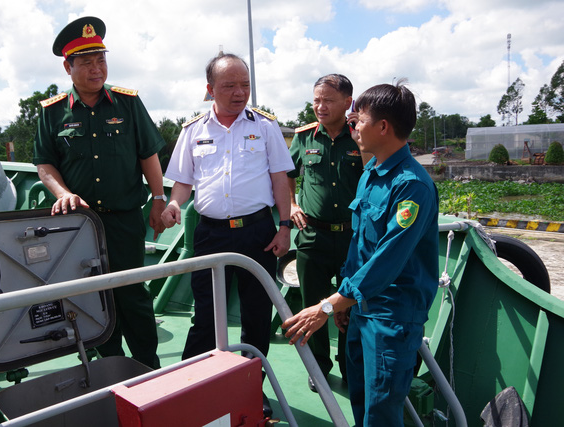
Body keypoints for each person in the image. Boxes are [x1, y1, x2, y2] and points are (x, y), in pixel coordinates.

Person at [282, 81, 439, 426]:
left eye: (359, 121)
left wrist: (330, 305)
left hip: (390, 318)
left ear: (383, 127)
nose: (353, 127)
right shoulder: (370, 172)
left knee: (380, 413)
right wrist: (346, 302)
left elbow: (387, 260)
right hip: (359, 311)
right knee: (360, 400)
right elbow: (359, 245)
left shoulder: (411, 186)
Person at [161, 52, 294, 417]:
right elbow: (183, 184)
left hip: (258, 234)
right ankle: (190, 386)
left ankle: (253, 389)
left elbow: (279, 178)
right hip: (211, 235)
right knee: (206, 316)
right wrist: (174, 205)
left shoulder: (265, 127)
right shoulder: (193, 132)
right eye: (229, 86)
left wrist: (284, 227)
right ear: (210, 90)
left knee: (256, 316)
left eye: (245, 85)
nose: (239, 93)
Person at [33, 16, 165, 369]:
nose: (97, 69)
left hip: (124, 220)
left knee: (132, 293)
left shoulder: (127, 104)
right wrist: (62, 193)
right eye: (87, 62)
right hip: (79, 224)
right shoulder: (52, 112)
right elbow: (45, 165)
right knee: (92, 297)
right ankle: (112, 367)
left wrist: (159, 198)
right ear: (68, 66)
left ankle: (148, 365)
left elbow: (147, 154)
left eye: (101, 60)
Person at [288, 74, 371, 391]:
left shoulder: (360, 136)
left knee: (352, 305)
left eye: (328, 101)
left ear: (348, 102)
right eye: (316, 101)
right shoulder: (305, 137)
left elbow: (373, 170)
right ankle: (317, 367)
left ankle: (351, 368)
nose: (320, 107)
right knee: (314, 304)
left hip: (353, 238)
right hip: (313, 236)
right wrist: (293, 204)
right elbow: (287, 173)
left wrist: (356, 133)